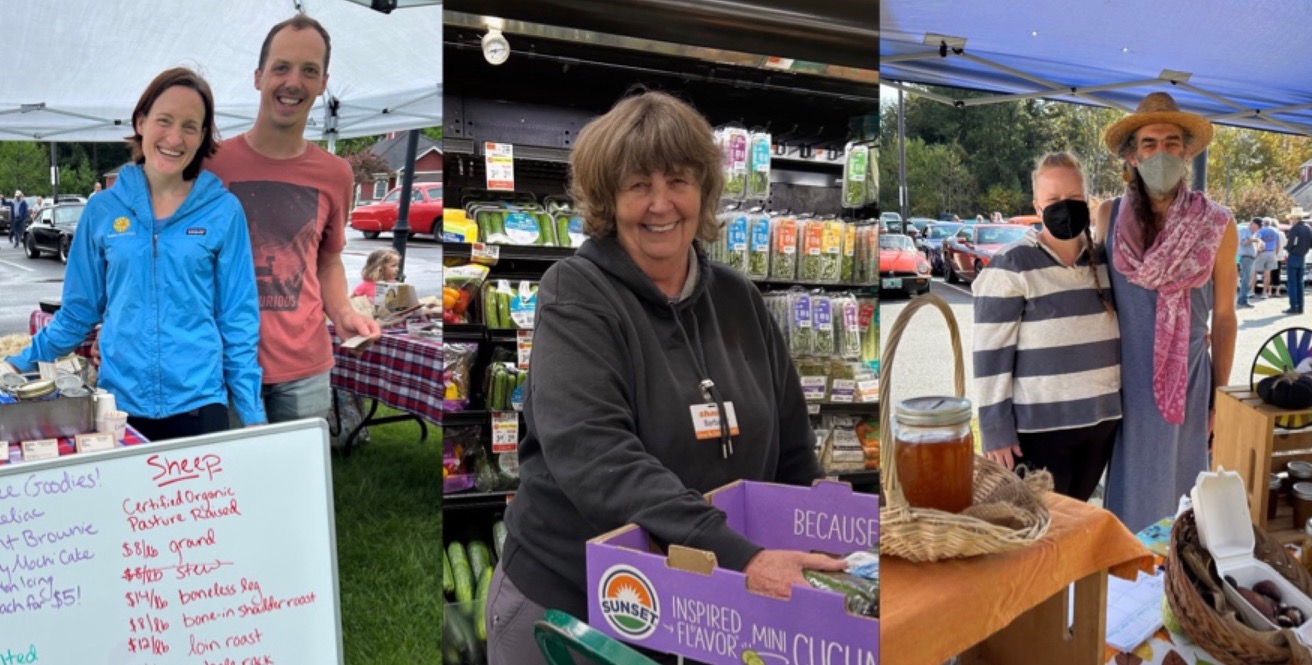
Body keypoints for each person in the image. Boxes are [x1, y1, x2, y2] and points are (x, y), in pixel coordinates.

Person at [485, 91, 845, 665]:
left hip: (708, 609)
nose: (660, 205)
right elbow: (597, 457)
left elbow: (794, 452)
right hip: (579, 607)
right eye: (637, 186)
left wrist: (826, 535)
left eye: (677, 181)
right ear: (607, 200)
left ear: (703, 191)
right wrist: (739, 555)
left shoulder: (740, 299)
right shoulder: (574, 293)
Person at [0, 68, 265, 440]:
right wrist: (16, 362)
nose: (175, 137)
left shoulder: (223, 211)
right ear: (141, 121)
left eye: (191, 126)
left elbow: (238, 320)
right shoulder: (102, 210)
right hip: (118, 404)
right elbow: (78, 312)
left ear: (203, 135)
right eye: (164, 120)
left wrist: (253, 416)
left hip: (199, 403)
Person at [205, 15, 380, 424]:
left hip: (305, 368)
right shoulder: (211, 164)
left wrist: (343, 313)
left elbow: (328, 259)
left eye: (309, 71)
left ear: (323, 84)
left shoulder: (336, 173)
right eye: (281, 67)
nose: (293, 82)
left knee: (299, 485)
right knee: (226, 484)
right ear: (258, 76)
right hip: (221, 361)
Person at [1096, 92, 1238, 534]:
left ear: (1187, 153)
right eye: (1150, 143)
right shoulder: (1108, 216)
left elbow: (1226, 316)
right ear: (1132, 156)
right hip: (1122, 381)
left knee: (1181, 500)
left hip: (1188, 384)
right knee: (1127, 498)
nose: (1162, 152)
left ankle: (1176, 587)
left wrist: (1221, 395)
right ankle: (1124, 588)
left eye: (1172, 142)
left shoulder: (1218, 224)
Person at [975, 153, 1121, 501]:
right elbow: (990, 355)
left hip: (1101, 423)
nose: (1064, 206)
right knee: (1038, 534)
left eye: (1073, 198)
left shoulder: (1105, 260)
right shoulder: (1011, 265)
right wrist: (995, 429)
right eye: (1053, 200)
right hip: (1039, 431)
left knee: (1074, 524)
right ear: (1037, 207)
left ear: (1087, 200)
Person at [1286, 209, 1311, 314]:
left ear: (1295, 218)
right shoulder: (1308, 228)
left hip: (1294, 256)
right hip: (1302, 256)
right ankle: (1300, 307)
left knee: (1292, 283)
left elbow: (1290, 243)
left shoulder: (1295, 229)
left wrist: (1288, 249)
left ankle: (1294, 306)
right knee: (1300, 283)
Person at [1237, 218, 1263, 308]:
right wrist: (1254, 240)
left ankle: (1243, 298)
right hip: (1246, 258)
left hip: (1250, 258)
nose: (1258, 228)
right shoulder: (1245, 231)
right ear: (1253, 224)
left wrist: (1258, 247)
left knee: (1248, 280)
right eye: (1258, 226)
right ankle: (1242, 299)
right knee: (1246, 280)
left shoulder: (1253, 233)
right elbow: (1243, 242)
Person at [1255, 218, 1280, 299]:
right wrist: (1275, 254)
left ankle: (1251, 291)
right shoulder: (1276, 231)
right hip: (1272, 252)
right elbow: (1278, 244)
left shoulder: (1261, 231)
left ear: (1263, 223)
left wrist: (1257, 253)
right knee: (1268, 274)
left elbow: (1259, 242)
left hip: (1262, 252)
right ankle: (1264, 293)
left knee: (1255, 272)